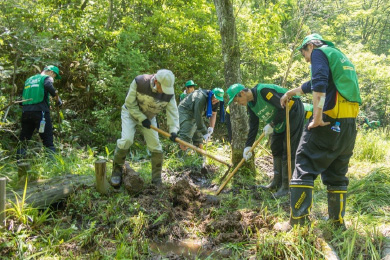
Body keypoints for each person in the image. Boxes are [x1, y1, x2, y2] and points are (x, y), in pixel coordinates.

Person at [280, 33, 361, 228]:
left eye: (304, 54)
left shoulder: (318, 53)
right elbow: (315, 84)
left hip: (327, 121)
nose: (306, 59)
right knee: (337, 173)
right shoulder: (339, 56)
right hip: (348, 126)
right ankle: (337, 223)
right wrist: (291, 92)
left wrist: (317, 117)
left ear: (310, 46)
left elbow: (319, 84)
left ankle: (298, 224)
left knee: (304, 163)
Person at [226, 83, 304, 198]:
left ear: (242, 93)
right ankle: (276, 183)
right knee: (276, 147)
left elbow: (284, 106)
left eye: (237, 100)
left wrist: (272, 124)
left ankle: (286, 187)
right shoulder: (251, 105)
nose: (238, 104)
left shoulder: (263, 91)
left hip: (292, 111)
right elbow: (253, 126)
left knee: (288, 149)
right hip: (278, 120)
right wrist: (248, 146)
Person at [110, 69, 179, 188]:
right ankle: (117, 171)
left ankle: (156, 180)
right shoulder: (139, 82)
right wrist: (142, 118)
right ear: (156, 81)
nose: (164, 91)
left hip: (149, 117)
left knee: (156, 146)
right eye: (163, 87)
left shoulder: (169, 94)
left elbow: (173, 113)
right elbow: (130, 104)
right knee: (127, 140)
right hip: (130, 113)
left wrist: (174, 131)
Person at [17, 65, 63, 159]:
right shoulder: (46, 78)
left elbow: (22, 97)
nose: (53, 77)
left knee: (24, 139)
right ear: (51, 72)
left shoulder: (29, 79)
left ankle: (19, 163)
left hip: (26, 112)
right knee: (47, 139)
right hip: (40, 112)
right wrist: (58, 100)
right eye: (54, 75)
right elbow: (48, 85)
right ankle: (52, 165)